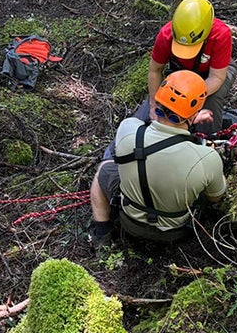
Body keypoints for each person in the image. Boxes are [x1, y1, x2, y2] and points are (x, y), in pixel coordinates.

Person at [89, 71, 228, 246]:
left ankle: (102, 233)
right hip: (177, 232)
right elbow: (216, 197)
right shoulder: (208, 158)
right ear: (194, 115)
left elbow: (150, 127)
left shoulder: (128, 130)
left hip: (130, 223)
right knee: (205, 186)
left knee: (105, 168)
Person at [143, 0, 235, 136]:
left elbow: (216, 77)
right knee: (162, 101)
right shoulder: (166, 34)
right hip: (181, 70)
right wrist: (154, 104)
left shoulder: (220, 34)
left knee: (210, 101)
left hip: (215, 71)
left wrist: (187, 98)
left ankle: (209, 140)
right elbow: (155, 70)